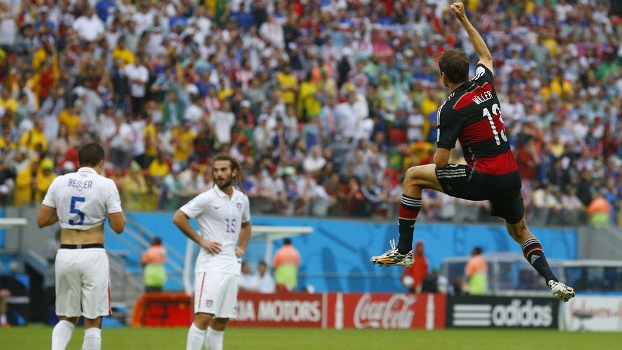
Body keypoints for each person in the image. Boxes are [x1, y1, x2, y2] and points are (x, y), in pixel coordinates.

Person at [370, 2, 574, 303]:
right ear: (467, 70)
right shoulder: (485, 82)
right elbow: (486, 55)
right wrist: (463, 18)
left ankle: (403, 250)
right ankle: (553, 281)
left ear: (442, 76)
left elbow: (440, 162)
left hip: (484, 175)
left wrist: (452, 158)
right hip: (510, 173)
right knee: (520, 231)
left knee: (413, 177)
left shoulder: (450, 108)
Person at [36, 142, 126, 350]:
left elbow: (41, 220)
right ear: (101, 162)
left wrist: (67, 213)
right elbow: (119, 227)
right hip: (92, 253)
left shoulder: (60, 182)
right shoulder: (106, 184)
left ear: (79, 160)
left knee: (66, 317)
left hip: (66, 253)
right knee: (93, 320)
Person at [172, 153, 251, 350]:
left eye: (223, 170)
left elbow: (246, 224)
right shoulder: (206, 198)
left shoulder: (242, 199)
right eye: (215, 170)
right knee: (204, 316)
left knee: (221, 320)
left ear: (233, 172)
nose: (219, 174)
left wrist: (242, 246)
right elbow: (178, 217)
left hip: (231, 265)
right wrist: (201, 240)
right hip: (211, 266)